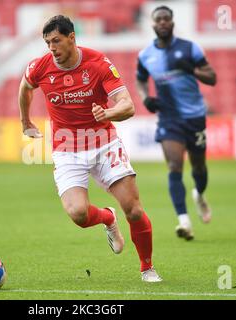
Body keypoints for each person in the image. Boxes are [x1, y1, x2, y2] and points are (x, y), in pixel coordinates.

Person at [18, 15, 162, 282]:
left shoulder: (98, 63)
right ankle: (108, 218)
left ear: (72, 38)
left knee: (134, 209)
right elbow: (26, 87)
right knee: (78, 214)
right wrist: (26, 121)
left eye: (56, 41)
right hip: (67, 149)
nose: (52, 48)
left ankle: (147, 267)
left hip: (103, 144)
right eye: (48, 42)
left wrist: (107, 112)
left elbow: (127, 105)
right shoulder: (40, 67)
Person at [135, 6, 217, 241]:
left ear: (172, 22)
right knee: (174, 166)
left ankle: (199, 195)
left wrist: (191, 69)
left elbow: (212, 78)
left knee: (199, 167)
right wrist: (145, 98)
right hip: (169, 118)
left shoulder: (190, 48)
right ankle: (184, 220)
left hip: (194, 117)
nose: (162, 22)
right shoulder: (146, 55)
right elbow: (140, 81)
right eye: (158, 19)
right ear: (152, 24)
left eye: (166, 19)